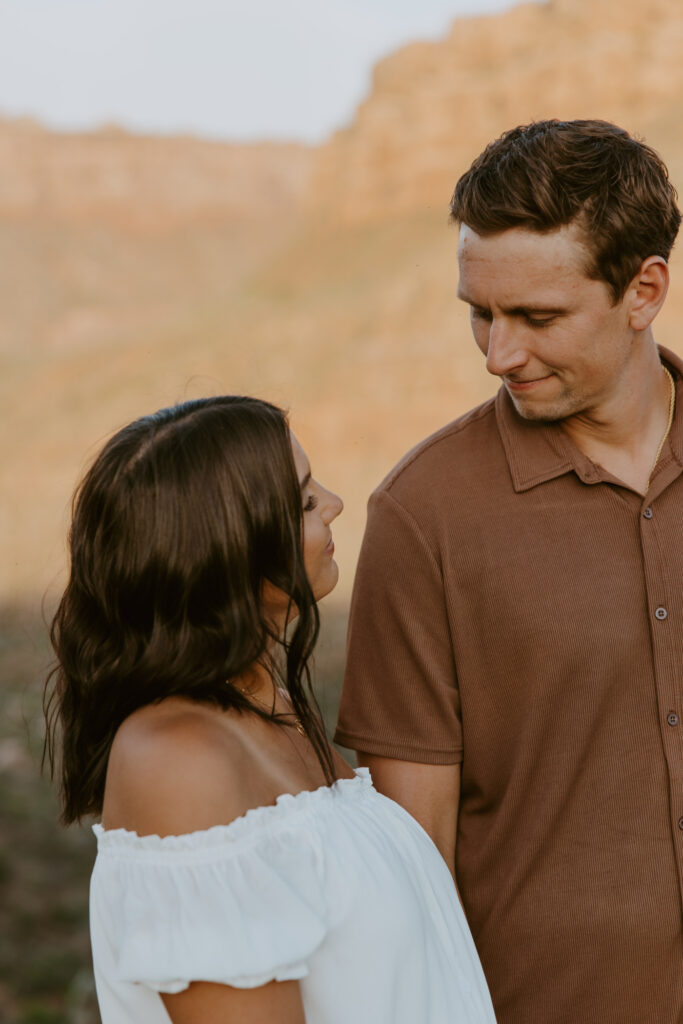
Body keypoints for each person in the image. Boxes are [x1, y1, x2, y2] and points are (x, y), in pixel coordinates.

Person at [335, 119, 683, 1024]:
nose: (498, 355)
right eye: (479, 313)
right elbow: (410, 871)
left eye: (536, 317)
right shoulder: (423, 518)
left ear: (644, 289)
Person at [44, 395, 497, 1024]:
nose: (336, 504)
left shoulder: (273, 711)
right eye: (307, 501)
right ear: (228, 552)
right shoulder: (174, 759)